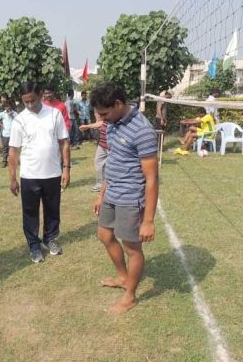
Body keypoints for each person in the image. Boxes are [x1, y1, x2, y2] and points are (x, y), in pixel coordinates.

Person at [90, 82, 158, 315]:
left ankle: (129, 296)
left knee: (132, 247)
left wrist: (148, 220)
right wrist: (102, 193)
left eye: (105, 114)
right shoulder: (112, 124)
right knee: (104, 234)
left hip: (131, 197)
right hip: (111, 192)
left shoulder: (142, 130)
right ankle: (123, 277)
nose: (102, 119)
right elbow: (113, 161)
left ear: (118, 104)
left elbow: (152, 179)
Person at [9, 81, 70, 263]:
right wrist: (12, 177)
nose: (30, 105)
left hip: (52, 173)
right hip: (29, 176)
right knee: (30, 213)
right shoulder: (19, 119)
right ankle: (34, 245)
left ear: (40, 95)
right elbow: (13, 150)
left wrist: (66, 168)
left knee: (52, 210)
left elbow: (64, 142)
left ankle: (50, 238)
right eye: (25, 102)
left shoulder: (54, 114)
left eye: (33, 100)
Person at [79, 111, 108, 192]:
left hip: (111, 146)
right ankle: (100, 184)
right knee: (98, 162)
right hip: (102, 145)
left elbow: (101, 123)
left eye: (97, 113)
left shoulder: (111, 114)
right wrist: (88, 126)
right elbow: (100, 123)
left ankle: (109, 185)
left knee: (110, 166)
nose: (96, 114)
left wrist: (87, 126)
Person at [0, 99, 17, 168]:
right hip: (5, 134)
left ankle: (12, 162)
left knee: (12, 148)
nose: (8, 108)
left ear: (11, 106)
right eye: (6, 106)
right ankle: (4, 162)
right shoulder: (3, 113)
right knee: (5, 148)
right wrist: (1, 125)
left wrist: (12, 116)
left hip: (13, 134)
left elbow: (19, 121)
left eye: (9, 106)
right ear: (5, 107)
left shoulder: (15, 113)